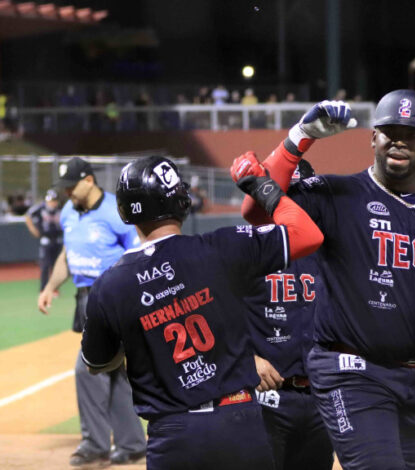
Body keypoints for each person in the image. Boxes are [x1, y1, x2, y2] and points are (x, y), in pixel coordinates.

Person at [233, 90, 415, 470]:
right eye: (389, 131)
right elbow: (256, 212)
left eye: (412, 133)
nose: (398, 140)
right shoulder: (334, 195)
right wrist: (299, 137)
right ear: (373, 138)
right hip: (350, 371)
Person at [80, 156, 323, 470]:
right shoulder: (222, 247)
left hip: (173, 435)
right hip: (240, 421)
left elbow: (97, 363)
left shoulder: (109, 286)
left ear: (125, 211)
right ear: (183, 201)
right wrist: (261, 183)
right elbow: (308, 234)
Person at [36, 157, 147, 467]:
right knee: (113, 375)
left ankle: (95, 446)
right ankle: (133, 444)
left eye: (71, 185)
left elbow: (138, 252)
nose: (67, 192)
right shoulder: (69, 212)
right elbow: (67, 255)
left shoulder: (116, 211)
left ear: (89, 180)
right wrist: (49, 287)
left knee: (87, 367)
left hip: (112, 299)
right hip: (84, 298)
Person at [247, 160, 334, 470]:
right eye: (285, 196)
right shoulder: (247, 249)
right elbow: (217, 317)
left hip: (322, 398)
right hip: (265, 399)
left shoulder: (332, 251)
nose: (292, 205)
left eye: (300, 196)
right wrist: (248, 360)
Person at [25, 188, 63, 291]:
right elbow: (28, 216)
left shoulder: (60, 208)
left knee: (57, 266)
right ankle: (43, 289)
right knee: (45, 266)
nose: (53, 203)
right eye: (51, 201)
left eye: (55, 200)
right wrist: (33, 230)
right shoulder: (40, 208)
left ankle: (55, 289)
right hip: (46, 240)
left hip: (58, 240)